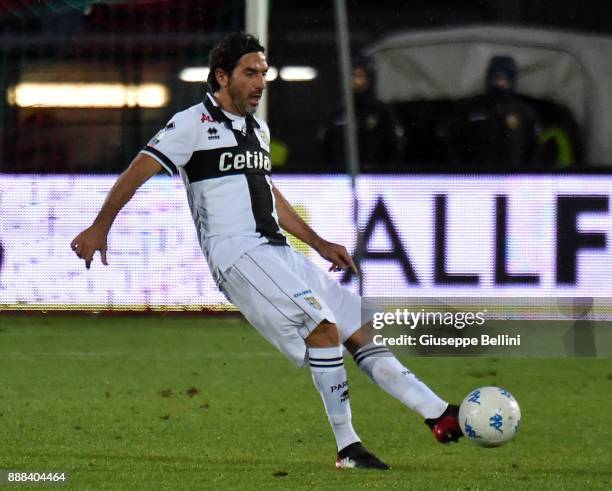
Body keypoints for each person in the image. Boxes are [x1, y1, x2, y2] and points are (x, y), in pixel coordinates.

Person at [71, 32, 461, 470]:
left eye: (264, 74)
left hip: (273, 248)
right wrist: (100, 225)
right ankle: (348, 447)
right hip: (236, 253)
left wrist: (317, 242)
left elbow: (267, 191)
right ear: (222, 76)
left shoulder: (257, 127)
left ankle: (438, 413)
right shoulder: (191, 124)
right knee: (323, 327)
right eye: (250, 73)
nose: (260, 82)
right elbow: (138, 170)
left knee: (356, 326)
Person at [441, 55, 542, 169]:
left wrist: (526, 174)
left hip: (512, 179)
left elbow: (534, 148)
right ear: (489, 77)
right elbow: (454, 143)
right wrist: (460, 171)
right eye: (497, 77)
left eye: (505, 78)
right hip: (476, 177)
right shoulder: (470, 108)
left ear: (512, 79)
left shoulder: (523, 112)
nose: (500, 82)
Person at [318, 58, 403, 171]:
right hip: (342, 177)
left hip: (375, 177)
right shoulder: (337, 112)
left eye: (362, 76)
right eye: (354, 76)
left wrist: (383, 169)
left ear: (369, 80)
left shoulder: (381, 111)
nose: (358, 81)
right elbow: (325, 147)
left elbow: (393, 146)